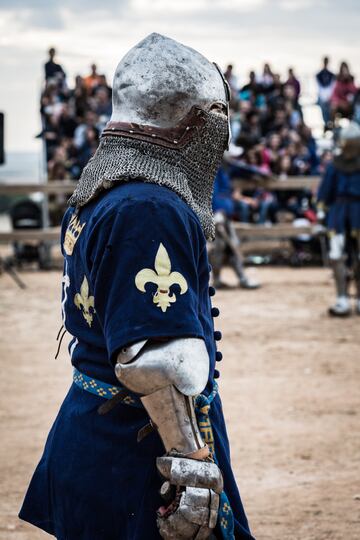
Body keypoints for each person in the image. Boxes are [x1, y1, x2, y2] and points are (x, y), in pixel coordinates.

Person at [19, 33, 255, 540]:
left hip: (97, 432)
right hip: (139, 449)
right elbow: (153, 358)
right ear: (195, 121)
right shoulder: (150, 205)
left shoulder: (102, 191)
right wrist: (192, 466)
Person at [317, 122, 360, 316]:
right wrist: (321, 212)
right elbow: (325, 191)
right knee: (336, 255)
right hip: (339, 212)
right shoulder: (335, 165)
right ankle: (342, 298)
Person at [210, 168, 260, 290]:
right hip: (215, 216)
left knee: (233, 245)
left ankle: (242, 278)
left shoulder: (223, 170)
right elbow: (211, 193)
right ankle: (217, 280)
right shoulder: (209, 169)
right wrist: (215, 214)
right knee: (218, 248)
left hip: (226, 216)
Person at [316, 56, 335, 126]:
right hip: (321, 96)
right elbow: (319, 88)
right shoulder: (319, 74)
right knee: (322, 104)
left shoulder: (331, 74)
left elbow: (332, 87)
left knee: (331, 105)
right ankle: (326, 123)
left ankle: (329, 123)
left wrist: (329, 97)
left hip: (329, 96)